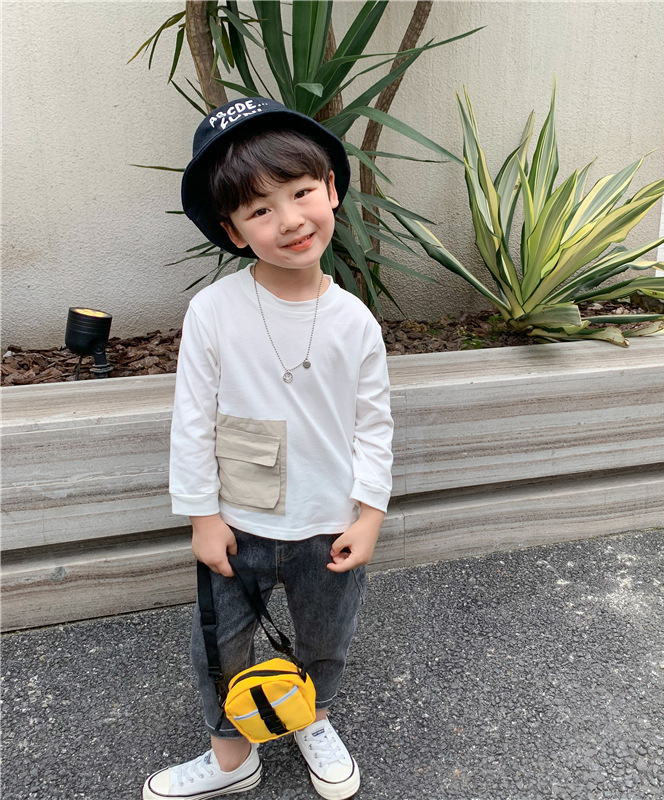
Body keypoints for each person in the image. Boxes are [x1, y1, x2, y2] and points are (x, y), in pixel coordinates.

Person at [142, 97, 393, 800]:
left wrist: (370, 512)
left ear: (331, 190)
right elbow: (192, 420)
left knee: (325, 638)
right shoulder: (214, 312)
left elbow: (374, 425)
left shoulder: (354, 321)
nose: (288, 220)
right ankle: (231, 755)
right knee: (218, 644)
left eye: (301, 192)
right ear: (231, 229)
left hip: (328, 522)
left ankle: (313, 717)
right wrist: (202, 515)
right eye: (259, 209)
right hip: (237, 522)